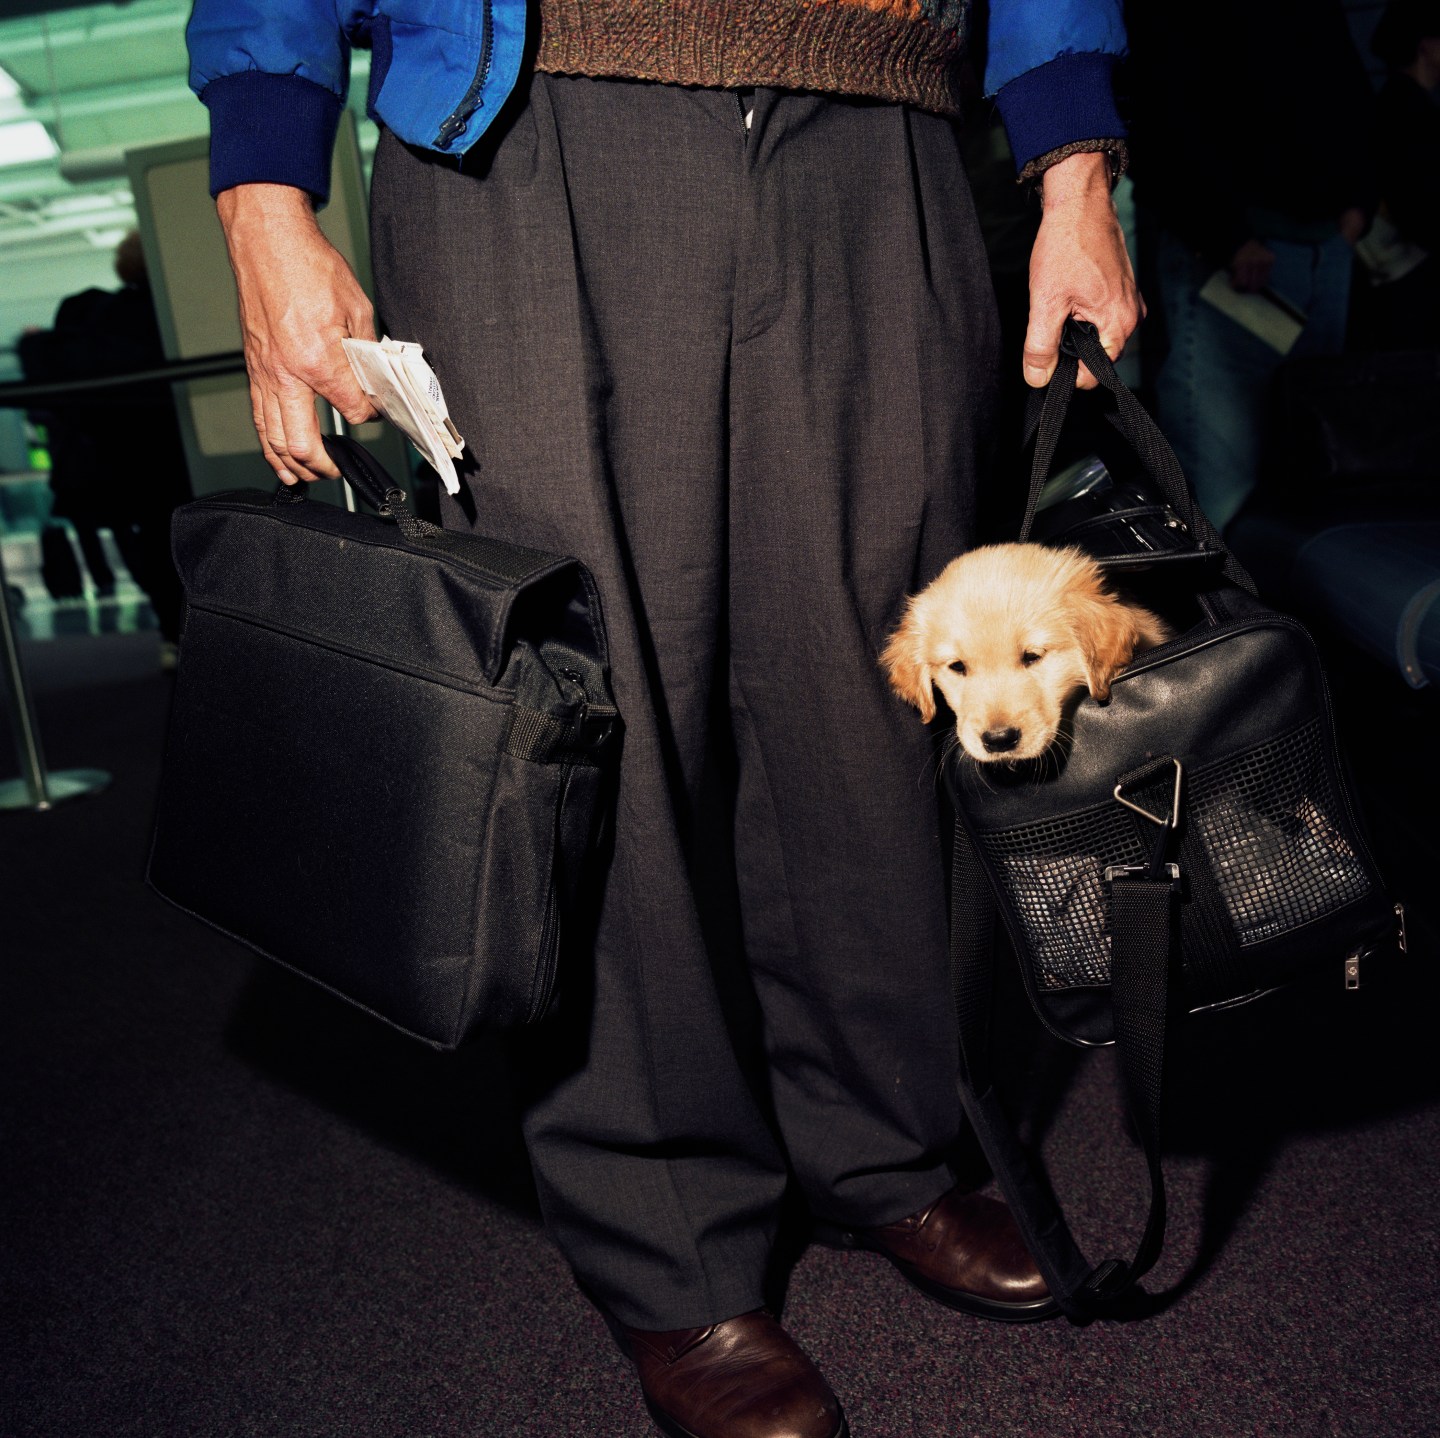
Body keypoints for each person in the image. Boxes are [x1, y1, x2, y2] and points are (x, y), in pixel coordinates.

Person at [186, 2, 1141, 1433]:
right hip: (538, 126)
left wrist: (1074, 162)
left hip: (877, 123)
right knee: (591, 710)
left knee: (876, 693)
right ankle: (669, 1231)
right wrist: (266, 199)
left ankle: (887, 1145)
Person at [1126, 1, 1375, 531]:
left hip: (1324, 244)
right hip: (1233, 258)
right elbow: (1162, 109)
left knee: (1317, 459)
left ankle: (1287, 610)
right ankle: (1222, 612)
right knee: (1220, 474)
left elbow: (1348, 90)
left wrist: (1357, 207)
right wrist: (1226, 235)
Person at [17, 230, 191, 646]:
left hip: (122, 458)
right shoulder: (174, 315)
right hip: (174, 450)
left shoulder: (102, 314)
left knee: (149, 543)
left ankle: (173, 632)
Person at [1354, 0, 1440, 347]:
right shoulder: (1407, 111)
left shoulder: (1401, 105)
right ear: (1425, 45)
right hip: (1410, 288)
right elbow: (1421, 205)